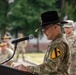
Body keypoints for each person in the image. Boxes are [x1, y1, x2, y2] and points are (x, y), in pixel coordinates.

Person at [15, 11, 70, 75]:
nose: (44, 32)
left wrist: (28, 69)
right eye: (43, 29)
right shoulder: (57, 41)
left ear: (55, 27)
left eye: (46, 28)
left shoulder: (59, 43)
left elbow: (50, 66)